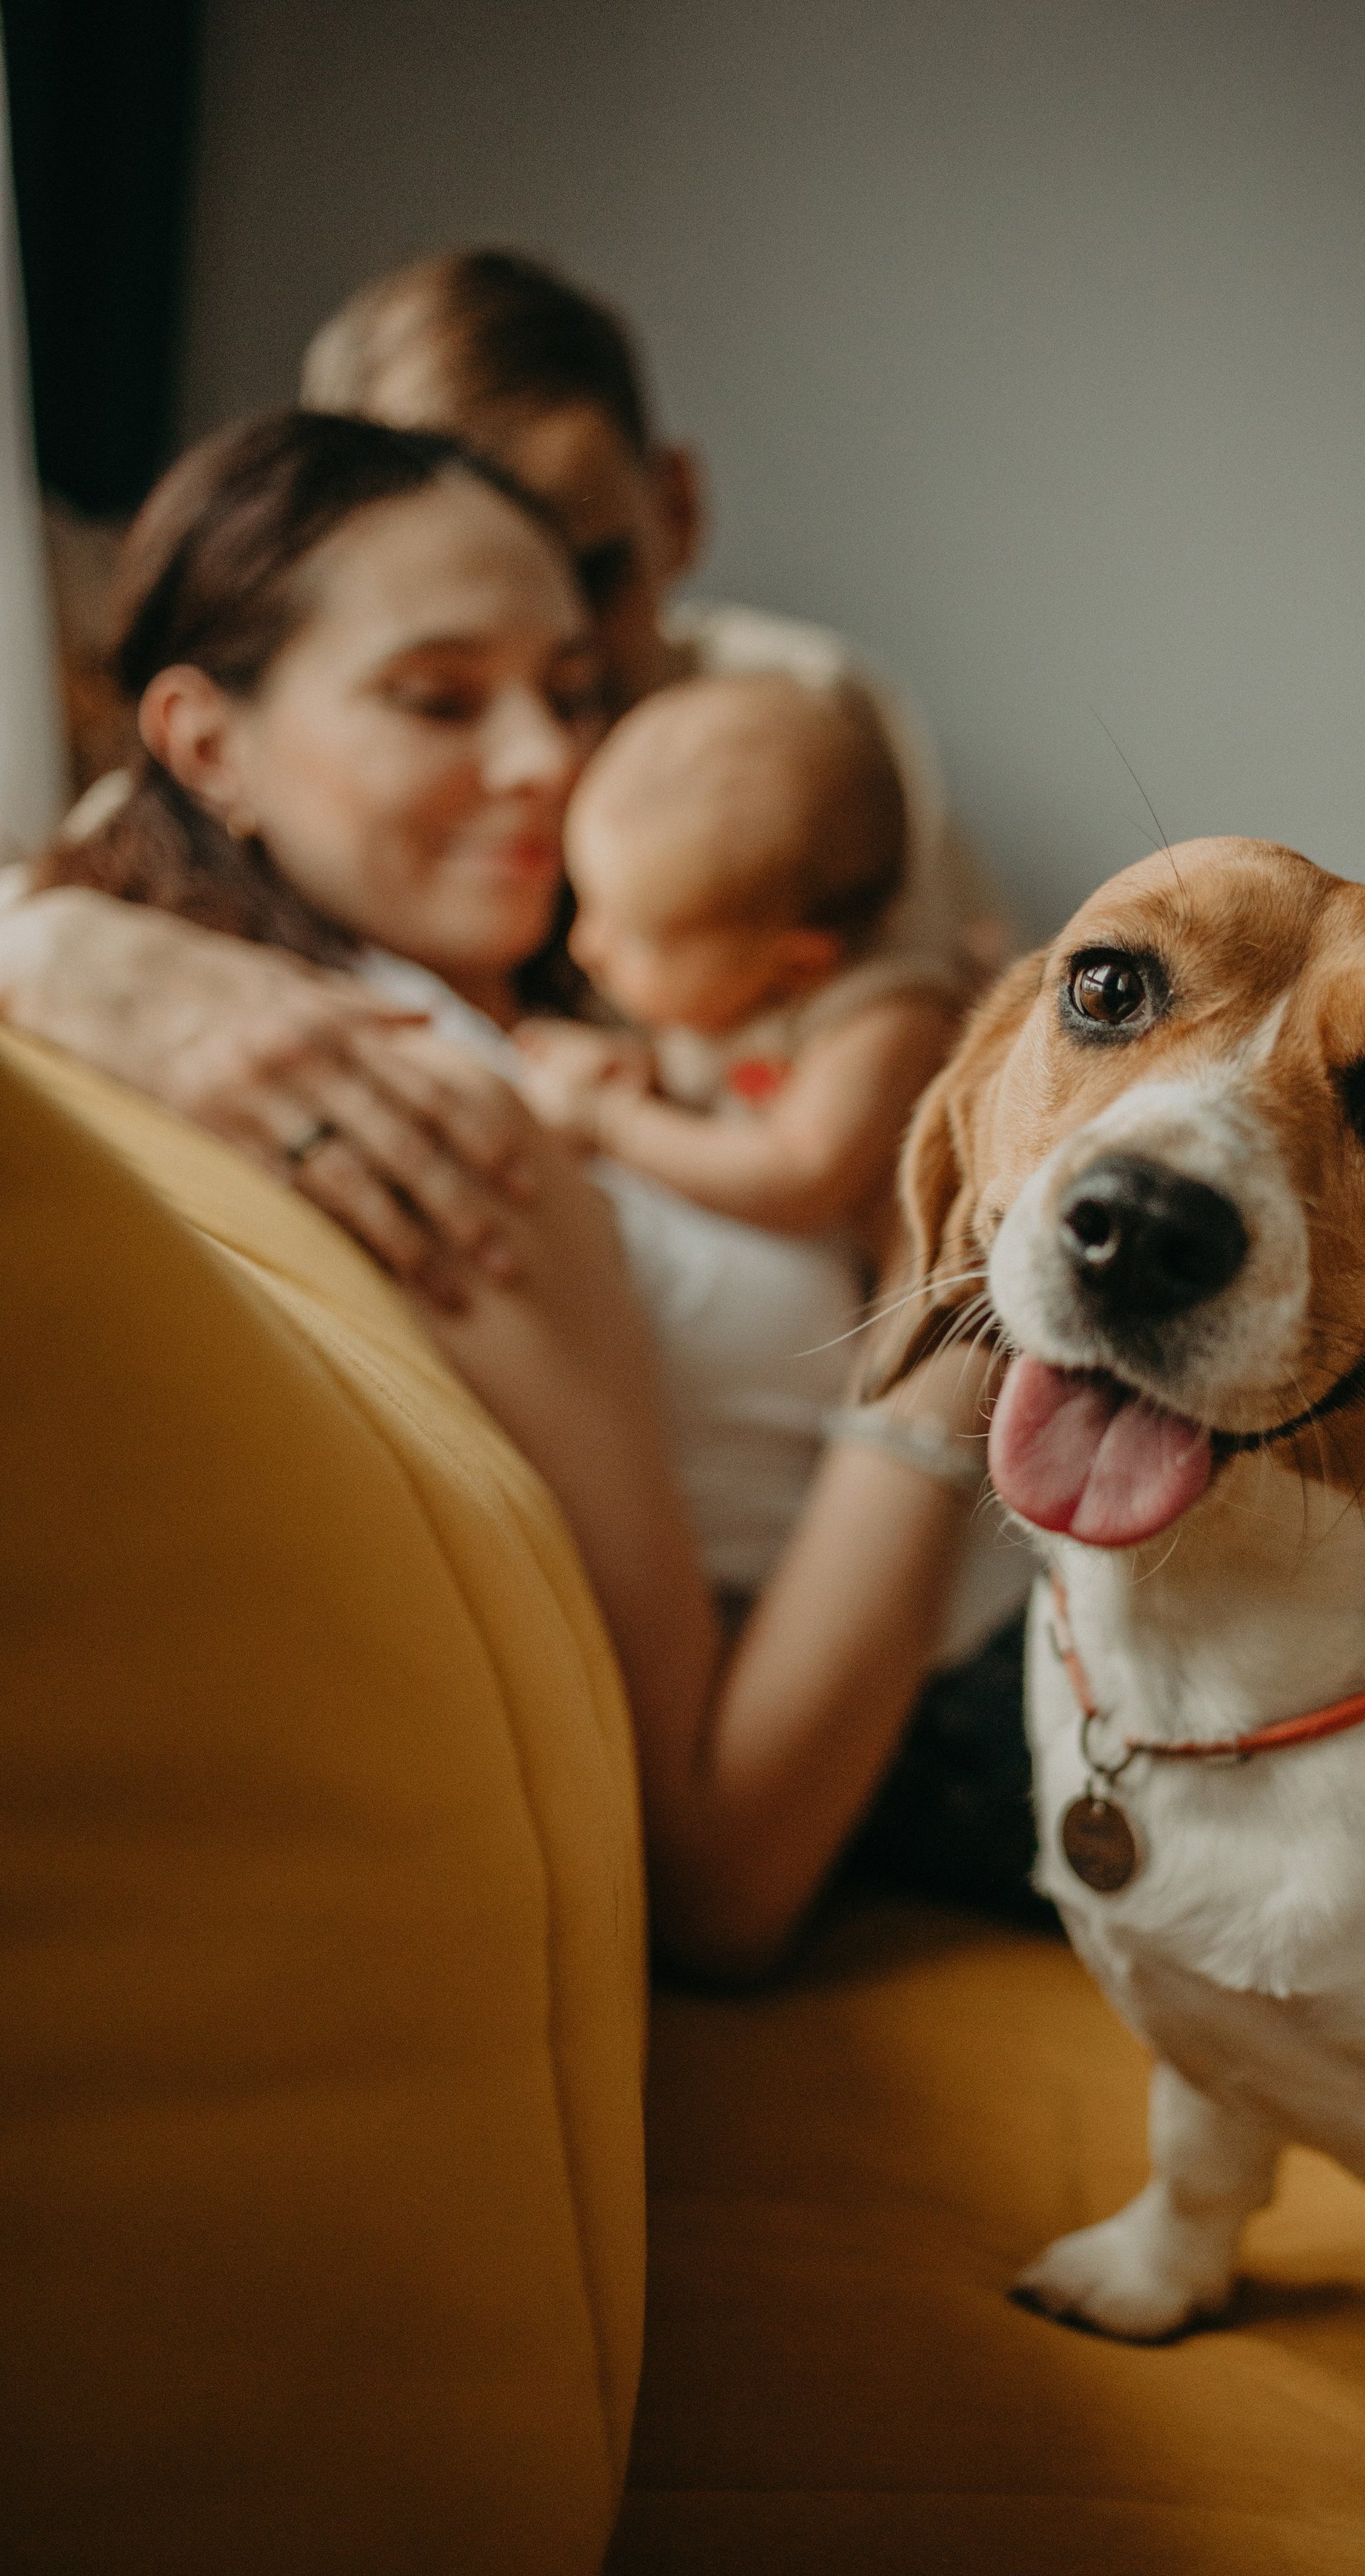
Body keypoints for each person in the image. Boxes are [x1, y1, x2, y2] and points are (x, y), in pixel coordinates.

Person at [24, 408, 1038, 1973]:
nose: (548, 762)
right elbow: (720, 1871)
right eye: (437, 699)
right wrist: (965, 1294)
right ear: (208, 745)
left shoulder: (559, 983)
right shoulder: (408, 1106)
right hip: (982, 1694)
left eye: (574, 692)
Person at [0, 246, 1008, 1302]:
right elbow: (97, 874)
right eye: (442, 683)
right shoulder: (259, 795)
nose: (546, 751)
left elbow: (933, 1107)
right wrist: (54, 954)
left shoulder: (798, 724)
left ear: (677, 507)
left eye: (587, 572)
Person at [518, 670, 968, 1264]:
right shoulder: (726, 983)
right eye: (587, 903)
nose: (585, 946)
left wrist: (613, 1121)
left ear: (800, 962)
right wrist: (636, 1070)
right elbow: (712, 1085)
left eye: (636, 939)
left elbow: (799, 1178)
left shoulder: (885, 1017)